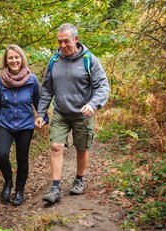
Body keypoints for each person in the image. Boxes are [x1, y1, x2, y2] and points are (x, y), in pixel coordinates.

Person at [35, 23, 110, 203]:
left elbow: (103, 87)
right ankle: (55, 188)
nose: (62, 46)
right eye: (59, 42)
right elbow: (46, 90)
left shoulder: (89, 60)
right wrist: (40, 113)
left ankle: (79, 179)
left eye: (66, 41)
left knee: (81, 149)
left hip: (83, 114)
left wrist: (93, 105)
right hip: (61, 112)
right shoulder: (54, 61)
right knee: (56, 147)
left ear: (76, 39)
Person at [0, 45, 46, 205]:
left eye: (17, 57)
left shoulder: (32, 80)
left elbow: (39, 103)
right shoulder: (0, 81)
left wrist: (42, 117)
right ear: (6, 61)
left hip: (25, 126)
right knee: (1, 155)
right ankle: (8, 181)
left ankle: (19, 191)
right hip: (4, 124)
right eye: (10, 58)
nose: (14, 60)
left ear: (21, 59)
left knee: (22, 159)